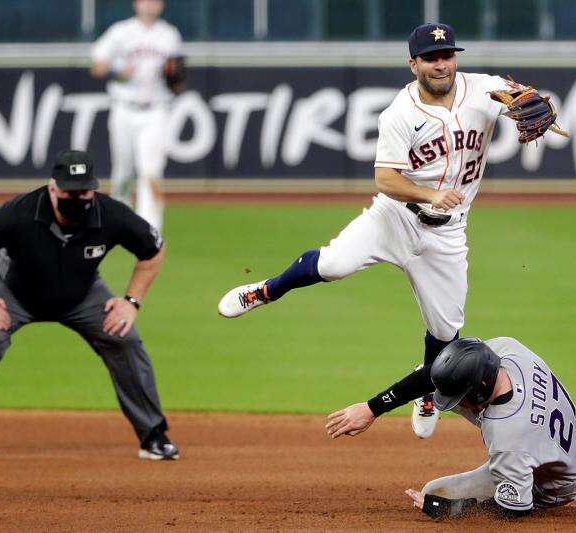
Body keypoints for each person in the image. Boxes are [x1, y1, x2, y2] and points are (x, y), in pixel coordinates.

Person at [218, 23, 556, 440]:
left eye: (447, 55)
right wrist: (430, 194)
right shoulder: (400, 113)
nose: (441, 64)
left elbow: (527, 97)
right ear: (412, 63)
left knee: (447, 334)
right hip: (393, 217)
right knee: (334, 263)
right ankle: (266, 291)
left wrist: (538, 103)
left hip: (446, 235)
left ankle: (427, 392)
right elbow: (385, 179)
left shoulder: (484, 87)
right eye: (431, 58)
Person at [0, 150, 179, 462]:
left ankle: (153, 434)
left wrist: (131, 303)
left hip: (81, 294)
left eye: (83, 191)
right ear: (53, 187)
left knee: (123, 336)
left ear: (93, 190)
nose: (77, 197)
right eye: (70, 191)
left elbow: (154, 250)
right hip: (13, 292)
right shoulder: (19, 213)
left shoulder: (110, 214)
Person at [325, 337, 576, 520]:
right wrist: (372, 408)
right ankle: (545, 442)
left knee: (435, 496)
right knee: (428, 377)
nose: (456, 404)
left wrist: (453, 509)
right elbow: (447, 370)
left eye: (461, 399)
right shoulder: (508, 351)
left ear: (480, 389)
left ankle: (540, 459)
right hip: (564, 428)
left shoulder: (507, 435)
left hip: (557, 484)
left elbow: (516, 509)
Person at [90, 0, 186, 231]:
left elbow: (178, 79)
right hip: (124, 107)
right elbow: (96, 67)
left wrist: (173, 76)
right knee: (122, 172)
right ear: (136, 4)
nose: (150, 5)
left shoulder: (169, 34)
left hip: (156, 109)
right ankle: (117, 225)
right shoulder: (121, 31)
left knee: (151, 171)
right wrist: (116, 70)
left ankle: (149, 230)